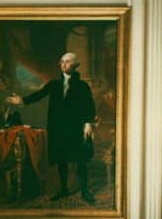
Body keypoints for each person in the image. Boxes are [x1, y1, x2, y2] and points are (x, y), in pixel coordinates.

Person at [8, 51, 96, 203]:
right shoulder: (54, 84)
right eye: (62, 61)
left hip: (76, 128)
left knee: (81, 159)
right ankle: (63, 189)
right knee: (61, 158)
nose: (64, 64)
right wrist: (22, 100)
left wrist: (88, 123)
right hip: (59, 128)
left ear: (75, 65)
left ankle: (84, 190)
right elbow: (39, 95)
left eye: (67, 61)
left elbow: (89, 105)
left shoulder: (83, 86)